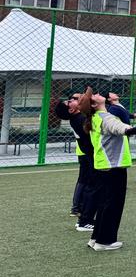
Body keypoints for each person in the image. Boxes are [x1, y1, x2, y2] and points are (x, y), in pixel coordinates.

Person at [79, 88, 136, 250]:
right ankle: (105, 241)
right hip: (113, 166)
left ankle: (96, 238)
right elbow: (123, 129)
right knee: (113, 205)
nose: (98, 94)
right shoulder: (106, 118)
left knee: (104, 204)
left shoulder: (95, 118)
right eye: (94, 95)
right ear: (94, 104)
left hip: (104, 166)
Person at [56, 95, 98, 232]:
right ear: (71, 110)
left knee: (90, 185)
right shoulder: (80, 119)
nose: (73, 100)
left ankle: (84, 219)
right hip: (92, 156)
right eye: (70, 101)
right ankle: (85, 220)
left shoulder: (78, 118)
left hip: (89, 155)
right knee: (92, 187)